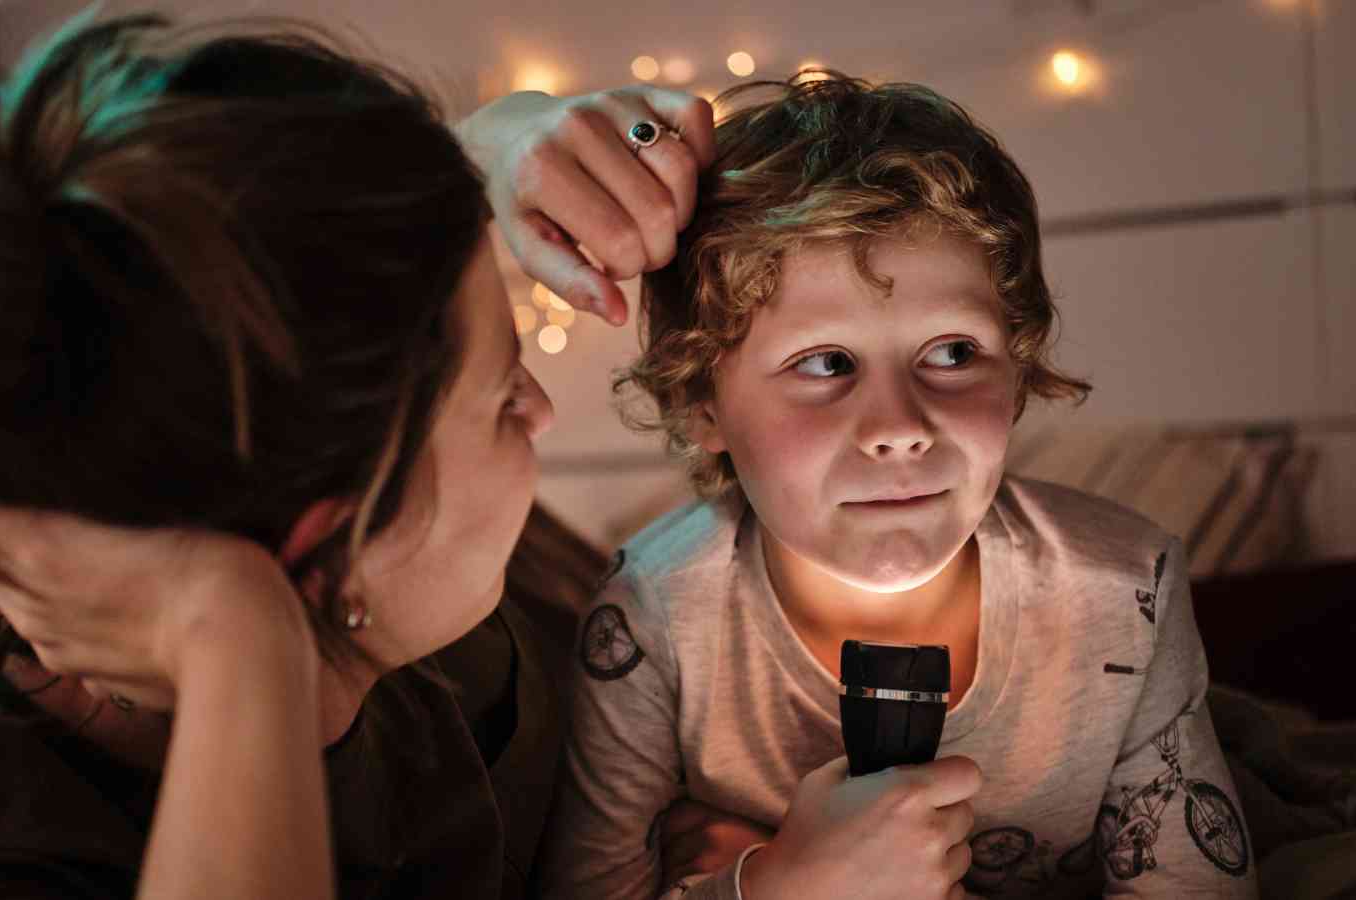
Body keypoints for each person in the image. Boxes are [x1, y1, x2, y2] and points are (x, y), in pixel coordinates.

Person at [0, 10, 733, 899]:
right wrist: (235, 631)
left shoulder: (377, 581)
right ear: (328, 544)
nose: (540, 412)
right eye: (499, 396)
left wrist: (491, 147)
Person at [538, 73, 1259, 899]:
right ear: (699, 401)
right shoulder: (653, 616)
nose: (900, 424)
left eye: (953, 353)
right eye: (825, 363)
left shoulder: (1127, 591)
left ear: (1017, 369)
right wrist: (775, 886)